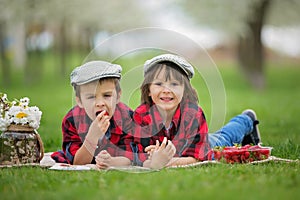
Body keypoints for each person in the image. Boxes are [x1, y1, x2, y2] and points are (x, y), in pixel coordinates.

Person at [132, 54, 261, 169]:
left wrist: (164, 162)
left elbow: (198, 158)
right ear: (148, 90)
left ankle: (246, 119)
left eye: (174, 84)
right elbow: (139, 155)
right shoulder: (141, 115)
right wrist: (152, 158)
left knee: (223, 138)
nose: (166, 90)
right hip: (183, 148)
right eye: (159, 84)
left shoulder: (193, 115)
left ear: (185, 90)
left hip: (201, 143)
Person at [51, 60, 134, 168]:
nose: (100, 104)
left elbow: (131, 157)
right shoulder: (72, 120)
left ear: (118, 96)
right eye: (91, 97)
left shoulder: (126, 116)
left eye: (107, 95)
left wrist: (111, 162)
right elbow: (77, 163)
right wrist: (92, 137)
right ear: (79, 101)